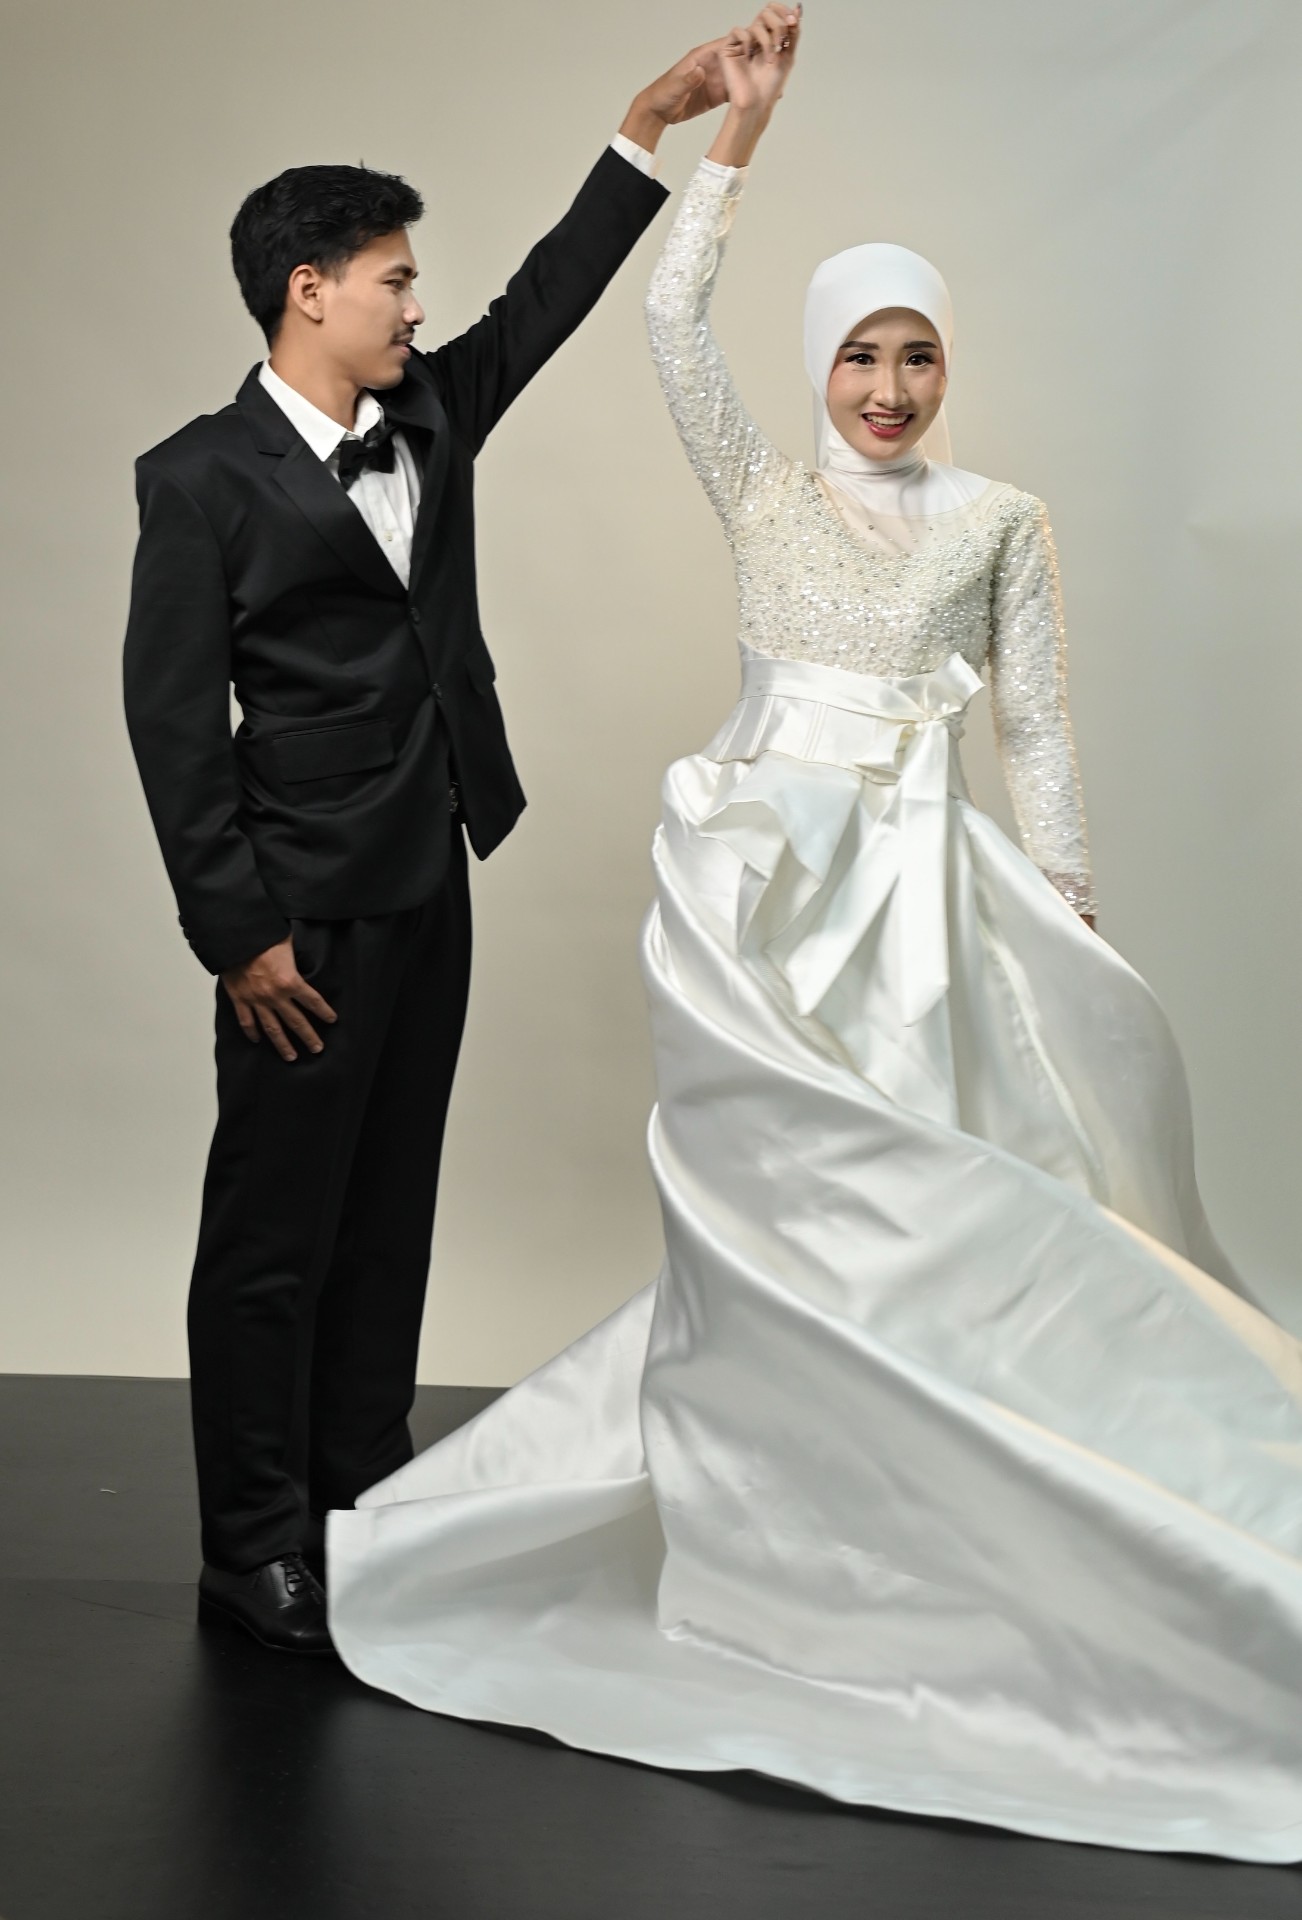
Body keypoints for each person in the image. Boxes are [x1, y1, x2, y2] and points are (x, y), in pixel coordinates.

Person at [327, 9, 1302, 1862]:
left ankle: (965, 1508)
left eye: (916, 353)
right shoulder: (761, 488)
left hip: (926, 898)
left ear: (948, 369)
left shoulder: (1000, 518)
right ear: (817, 367)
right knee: (790, 1212)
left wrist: (1063, 900)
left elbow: (1035, 723)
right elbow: (668, 322)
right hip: (769, 893)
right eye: (858, 351)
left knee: (942, 1203)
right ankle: (795, 1523)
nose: (888, 385)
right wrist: (735, 144)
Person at [121, 31, 746, 1656]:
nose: (417, 305)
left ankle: (358, 1498)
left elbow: (545, 298)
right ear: (309, 289)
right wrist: (238, 936)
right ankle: (252, 1547)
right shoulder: (196, 481)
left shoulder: (432, 414)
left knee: (387, 1218)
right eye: (394, 279)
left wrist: (647, 126)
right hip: (297, 921)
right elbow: (173, 726)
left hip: (428, 877)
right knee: (273, 1241)